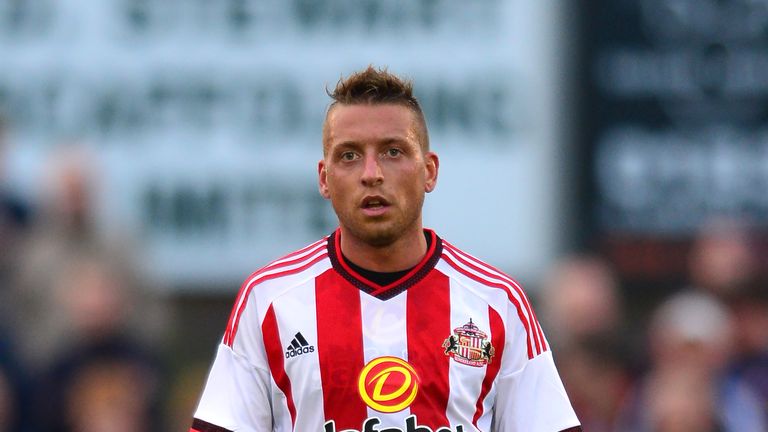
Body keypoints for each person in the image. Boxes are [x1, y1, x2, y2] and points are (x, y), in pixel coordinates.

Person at [190, 66, 580, 432]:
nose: (371, 174)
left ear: (429, 170)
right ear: (324, 179)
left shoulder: (497, 303)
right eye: (349, 156)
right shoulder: (270, 300)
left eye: (393, 151)